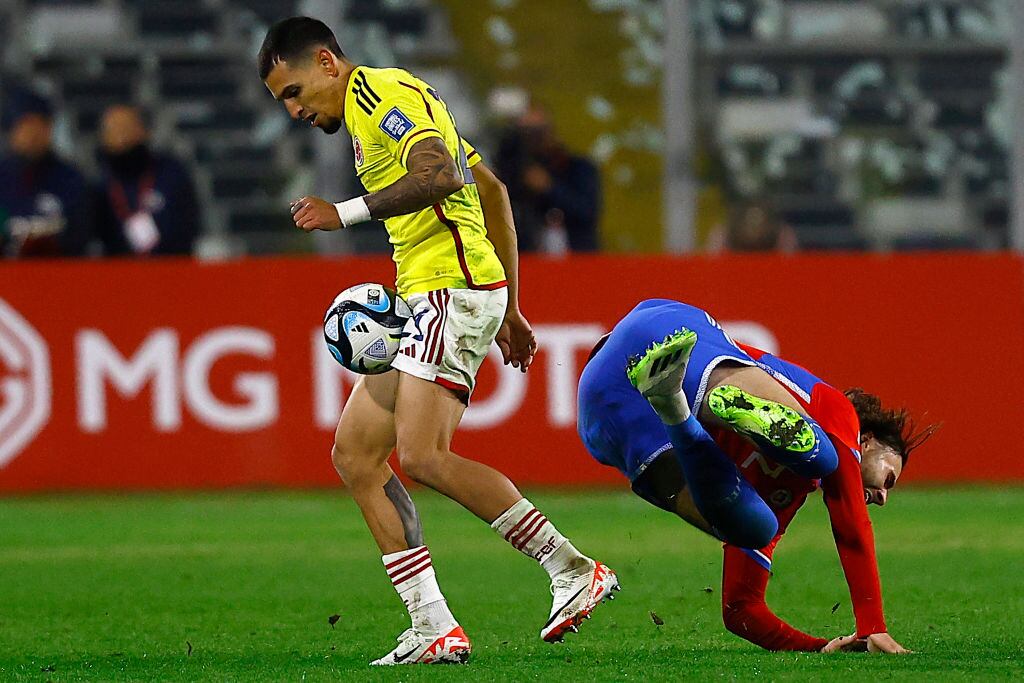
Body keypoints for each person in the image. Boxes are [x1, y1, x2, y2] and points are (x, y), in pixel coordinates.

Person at [257, 17, 618, 665]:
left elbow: (442, 178)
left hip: (446, 288)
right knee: (356, 453)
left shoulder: (381, 98)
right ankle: (433, 625)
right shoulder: (395, 102)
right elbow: (492, 189)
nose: (293, 109)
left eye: (293, 90)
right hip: (442, 290)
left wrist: (344, 212)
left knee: (423, 454)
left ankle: (571, 568)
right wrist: (509, 302)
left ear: (325, 61)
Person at [577, 299, 937, 653]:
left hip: (604, 400)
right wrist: (873, 626)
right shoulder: (839, 413)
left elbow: (741, 610)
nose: (884, 497)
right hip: (665, 346)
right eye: (889, 478)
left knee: (757, 529)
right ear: (868, 441)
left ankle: (677, 408)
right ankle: (687, 411)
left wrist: (821, 648)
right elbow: (850, 522)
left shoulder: (785, 497)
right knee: (824, 459)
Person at [94, 105, 202, 256]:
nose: (122, 137)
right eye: (113, 129)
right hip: (119, 272)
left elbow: (189, 223)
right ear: (103, 137)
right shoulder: (98, 184)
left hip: (171, 269)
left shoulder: (171, 173)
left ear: (143, 130)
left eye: (126, 128)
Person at [496, 104, 601, 253]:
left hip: (576, 255)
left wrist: (550, 188)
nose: (532, 139)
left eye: (537, 132)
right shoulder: (513, 173)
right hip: (528, 256)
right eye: (525, 132)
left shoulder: (577, 168)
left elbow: (586, 211)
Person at [0, 88, 92, 258]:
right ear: (12, 130)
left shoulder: (70, 179)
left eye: (40, 124)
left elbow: (81, 239)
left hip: (57, 277)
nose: (33, 133)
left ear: (50, 129)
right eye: (25, 124)